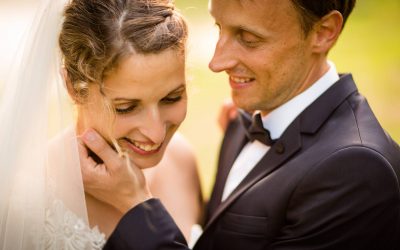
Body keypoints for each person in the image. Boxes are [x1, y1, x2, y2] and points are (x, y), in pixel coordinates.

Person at [81, 0, 400, 249]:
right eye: (220, 27)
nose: (216, 62)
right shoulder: (243, 121)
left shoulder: (358, 170)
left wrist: (134, 204)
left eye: (248, 39)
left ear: (324, 31)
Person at [0, 0, 202, 248]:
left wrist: (135, 200)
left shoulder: (180, 159)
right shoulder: (25, 196)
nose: (156, 133)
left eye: (172, 98)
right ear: (74, 88)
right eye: (126, 107)